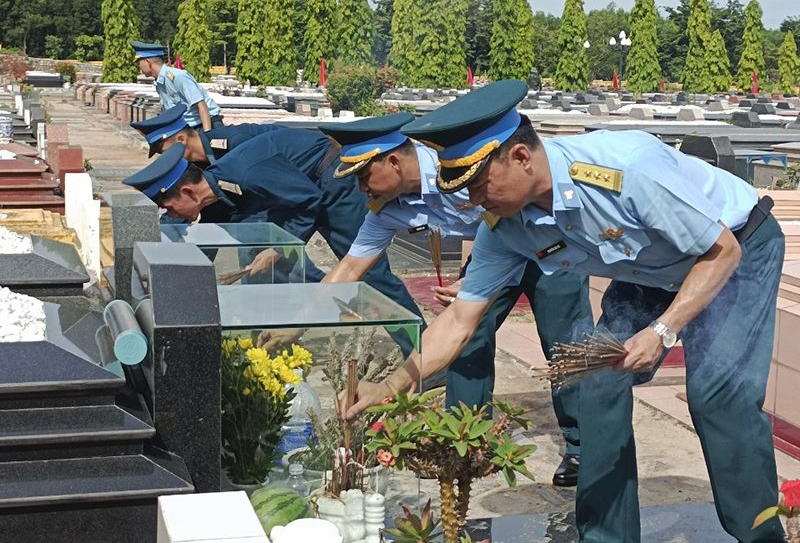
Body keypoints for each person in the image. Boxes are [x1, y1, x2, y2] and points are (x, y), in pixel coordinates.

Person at [338, 80, 784, 543]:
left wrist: (663, 331)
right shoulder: (505, 227)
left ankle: (762, 535)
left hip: (735, 249)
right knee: (594, 382)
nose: (472, 202)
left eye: (478, 184)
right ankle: (607, 537)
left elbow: (721, 250)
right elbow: (458, 321)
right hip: (650, 270)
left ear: (521, 158)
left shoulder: (624, 171)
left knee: (718, 396)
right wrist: (390, 384)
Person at [315, 111, 592, 487]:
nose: (362, 188)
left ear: (393, 162)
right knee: (466, 339)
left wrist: (474, 276)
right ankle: (465, 437)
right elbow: (350, 267)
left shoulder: (460, 166)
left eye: (364, 176)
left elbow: (513, 204)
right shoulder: (388, 206)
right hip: (494, 254)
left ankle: (582, 445)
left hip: (549, 248)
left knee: (566, 346)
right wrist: (300, 317)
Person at [121, 133, 424, 357]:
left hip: (331, 185)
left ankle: (423, 352)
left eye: (171, 209)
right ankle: (264, 351)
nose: (173, 216)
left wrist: (277, 248)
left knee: (370, 272)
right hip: (297, 193)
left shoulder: (246, 174)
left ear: (187, 191)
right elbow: (204, 245)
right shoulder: (215, 192)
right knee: (256, 254)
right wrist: (170, 284)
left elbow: (309, 200)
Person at [131, 103, 283, 161]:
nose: (167, 159)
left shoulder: (234, 143)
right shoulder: (202, 157)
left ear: (182, 140)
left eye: (166, 152)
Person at [130, 40, 223, 133]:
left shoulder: (178, 77)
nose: (139, 67)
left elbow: (201, 105)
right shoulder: (159, 82)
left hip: (206, 125)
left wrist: (208, 135)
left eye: (139, 63)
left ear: (148, 62)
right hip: (188, 128)